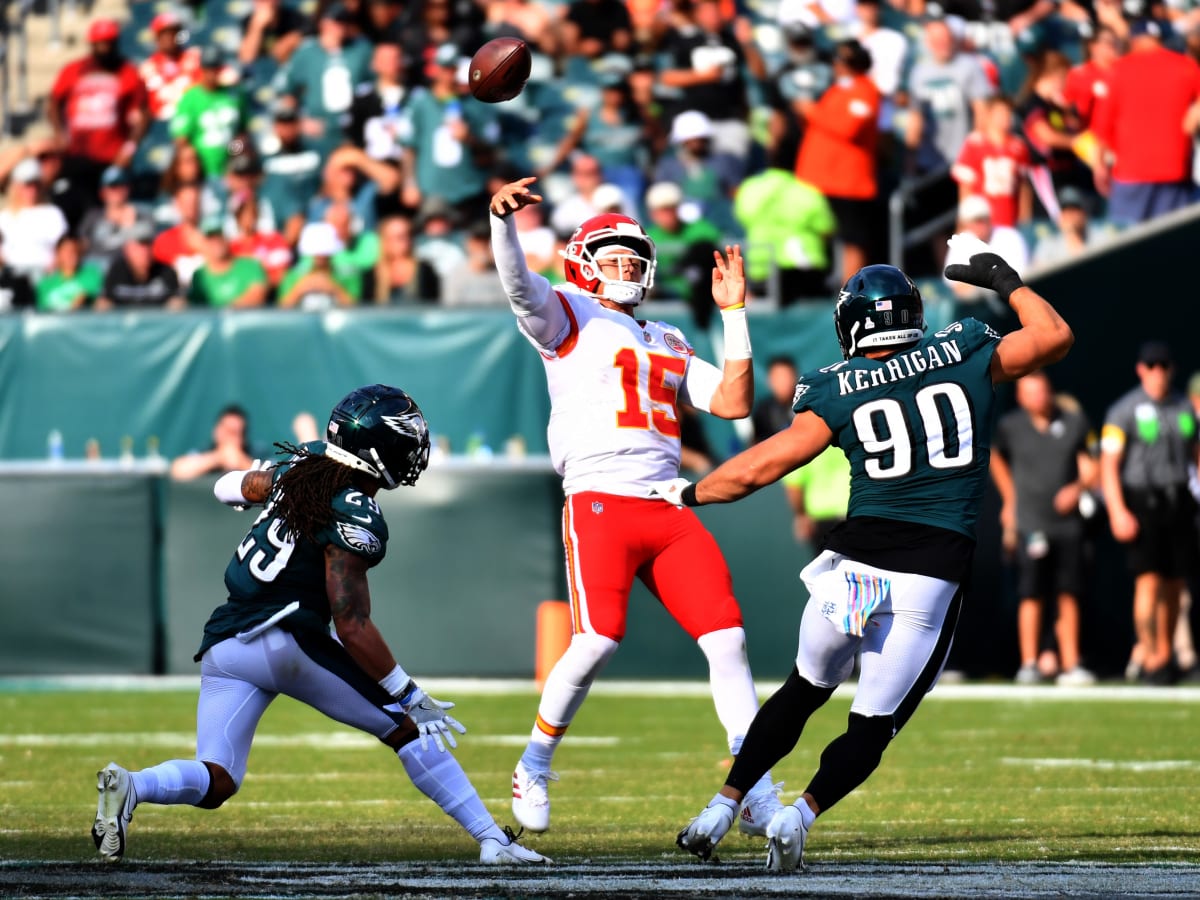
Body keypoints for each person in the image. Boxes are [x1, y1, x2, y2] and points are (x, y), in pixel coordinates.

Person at [663, 232, 1073, 870]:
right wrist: (1000, 276)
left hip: (851, 570)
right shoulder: (963, 349)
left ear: (850, 326)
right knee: (873, 725)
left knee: (801, 689)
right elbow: (1053, 337)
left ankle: (721, 806)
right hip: (929, 578)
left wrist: (688, 492)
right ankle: (798, 817)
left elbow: (756, 470)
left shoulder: (835, 385)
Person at [92, 384, 548, 867]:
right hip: (287, 637)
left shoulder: (300, 466)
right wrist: (410, 694)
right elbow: (352, 624)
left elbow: (225, 485)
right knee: (408, 729)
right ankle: (492, 839)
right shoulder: (355, 512)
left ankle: (132, 786)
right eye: (405, 439)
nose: (414, 449)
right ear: (377, 450)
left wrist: (260, 491)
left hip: (228, 640)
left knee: (219, 778)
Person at [489, 175, 783, 837]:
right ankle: (533, 761)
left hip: (666, 503)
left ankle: (755, 784)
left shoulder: (670, 337)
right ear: (582, 262)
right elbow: (516, 287)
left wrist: (735, 314)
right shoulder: (566, 311)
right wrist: (501, 224)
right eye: (613, 254)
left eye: (633, 256)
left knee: (728, 638)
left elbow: (733, 402)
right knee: (596, 641)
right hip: (599, 498)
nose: (626, 264)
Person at [1100, 341, 1200, 684]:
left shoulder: (1184, 407)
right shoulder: (1124, 410)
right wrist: (1117, 511)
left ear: (1170, 370)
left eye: (1163, 366)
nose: (1158, 373)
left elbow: (1195, 454)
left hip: (1179, 501)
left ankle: (1165, 654)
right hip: (1144, 502)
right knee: (1149, 581)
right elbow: (1109, 465)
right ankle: (1149, 653)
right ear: (1141, 370)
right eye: (1151, 366)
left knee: (1175, 583)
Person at [991, 370, 1098, 685]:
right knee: (1031, 592)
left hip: (1068, 525)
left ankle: (1071, 663)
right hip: (1030, 523)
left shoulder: (1074, 421)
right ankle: (1029, 662)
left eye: (1043, 390)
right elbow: (996, 458)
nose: (1039, 397)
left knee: (1069, 592)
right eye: (1031, 392)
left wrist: (1076, 489)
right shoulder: (1011, 427)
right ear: (1021, 397)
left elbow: (1094, 466)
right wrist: (1011, 500)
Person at [1092, 18, 1200, 226]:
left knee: (1127, 248)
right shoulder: (1186, 66)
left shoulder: (1118, 70)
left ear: (1133, 41)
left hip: (1131, 173)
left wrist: (1099, 166)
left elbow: (1102, 128)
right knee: (1172, 246)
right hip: (1175, 169)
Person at [96, 221, 185, 311]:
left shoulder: (166, 272)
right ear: (128, 249)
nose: (145, 251)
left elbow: (178, 303)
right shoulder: (116, 271)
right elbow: (103, 304)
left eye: (148, 245)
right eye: (140, 245)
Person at [169, 405, 257, 480]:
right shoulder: (205, 450)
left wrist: (241, 462)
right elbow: (177, 470)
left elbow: (268, 479)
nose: (228, 438)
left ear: (243, 437)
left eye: (234, 433)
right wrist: (219, 458)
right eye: (226, 431)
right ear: (216, 431)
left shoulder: (254, 453)